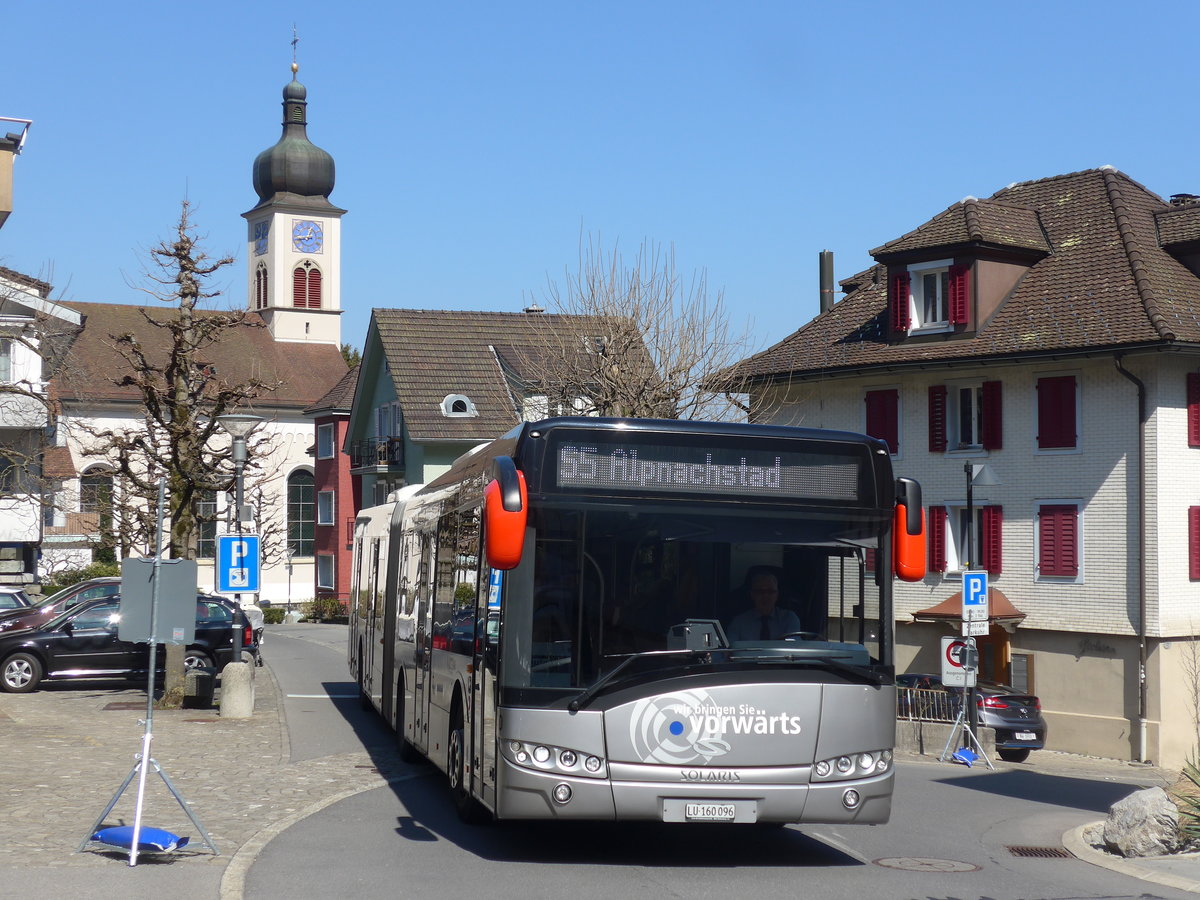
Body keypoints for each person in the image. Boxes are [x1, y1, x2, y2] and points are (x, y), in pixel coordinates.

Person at [726, 569, 801, 642]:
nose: (765, 596)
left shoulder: (789, 619)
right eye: (760, 591)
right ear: (752, 594)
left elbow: (793, 647)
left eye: (770, 591)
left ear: (777, 594)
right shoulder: (738, 622)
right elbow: (728, 651)